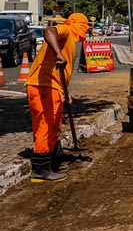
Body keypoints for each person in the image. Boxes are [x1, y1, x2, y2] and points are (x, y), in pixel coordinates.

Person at [25, 13, 90, 182]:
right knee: (45, 125)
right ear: (78, 24)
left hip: (54, 87)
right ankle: (40, 169)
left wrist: (65, 94)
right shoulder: (66, 30)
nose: (86, 31)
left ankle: (52, 161)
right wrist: (58, 54)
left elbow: (62, 73)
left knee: (54, 124)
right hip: (43, 85)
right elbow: (49, 31)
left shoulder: (70, 41)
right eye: (84, 26)